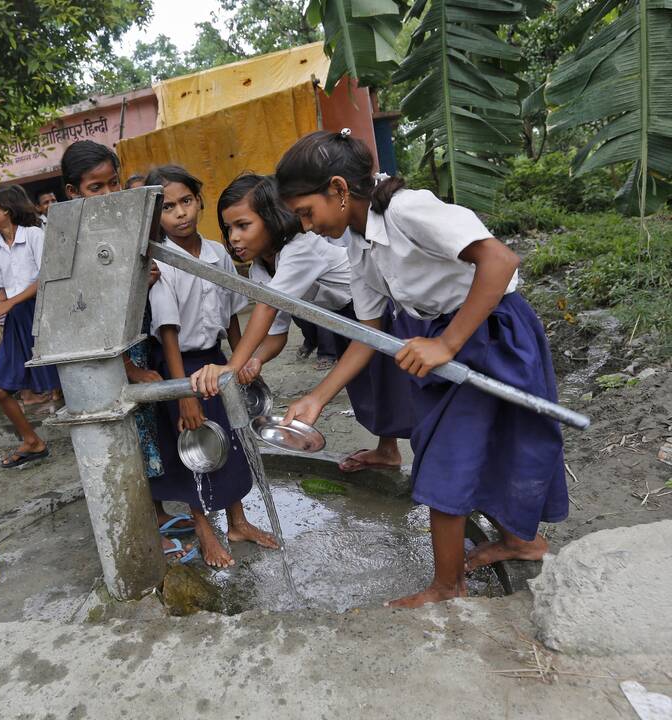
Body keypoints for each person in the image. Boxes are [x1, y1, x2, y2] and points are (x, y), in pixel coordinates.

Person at [274, 129, 568, 608]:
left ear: (339, 189)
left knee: (455, 457)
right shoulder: (356, 242)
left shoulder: (408, 210)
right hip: (444, 337)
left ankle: (448, 587)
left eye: (306, 212)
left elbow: (499, 259)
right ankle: (521, 541)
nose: (305, 226)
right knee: (456, 445)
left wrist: (449, 343)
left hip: (492, 330)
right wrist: (318, 398)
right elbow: (369, 331)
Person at [189, 175, 413, 473]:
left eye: (243, 226)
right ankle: (388, 451)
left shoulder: (300, 248)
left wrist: (232, 365)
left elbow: (266, 307)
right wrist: (255, 361)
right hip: (339, 318)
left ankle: (418, 452)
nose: (234, 238)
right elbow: (276, 335)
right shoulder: (261, 268)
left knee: (390, 383)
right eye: (228, 228)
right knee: (366, 387)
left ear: (271, 219)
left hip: (368, 310)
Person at [61, 141, 194, 561]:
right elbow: (88, 310)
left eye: (113, 182)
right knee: (125, 443)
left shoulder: (115, 222)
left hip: (134, 342)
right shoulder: (74, 237)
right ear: (73, 192)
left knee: (147, 437)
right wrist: (128, 370)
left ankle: (153, 514)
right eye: (95, 187)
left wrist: (145, 279)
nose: (108, 193)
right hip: (105, 357)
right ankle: (142, 536)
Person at [145, 165, 279, 568]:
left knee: (234, 441)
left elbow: (234, 313)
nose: (181, 213)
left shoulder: (219, 253)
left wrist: (245, 362)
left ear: (199, 201)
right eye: (168, 207)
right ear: (157, 215)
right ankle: (205, 529)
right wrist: (183, 393)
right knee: (194, 447)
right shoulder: (159, 262)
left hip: (218, 360)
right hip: (179, 365)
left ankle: (238, 521)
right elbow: (167, 329)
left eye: (186, 201)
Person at [0, 185, 59, 468]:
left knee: (69, 378)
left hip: (45, 313)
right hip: (19, 319)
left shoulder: (34, 235)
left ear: (6, 209)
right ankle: (32, 441)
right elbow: (3, 291)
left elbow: (46, 278)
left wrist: (9, 303)